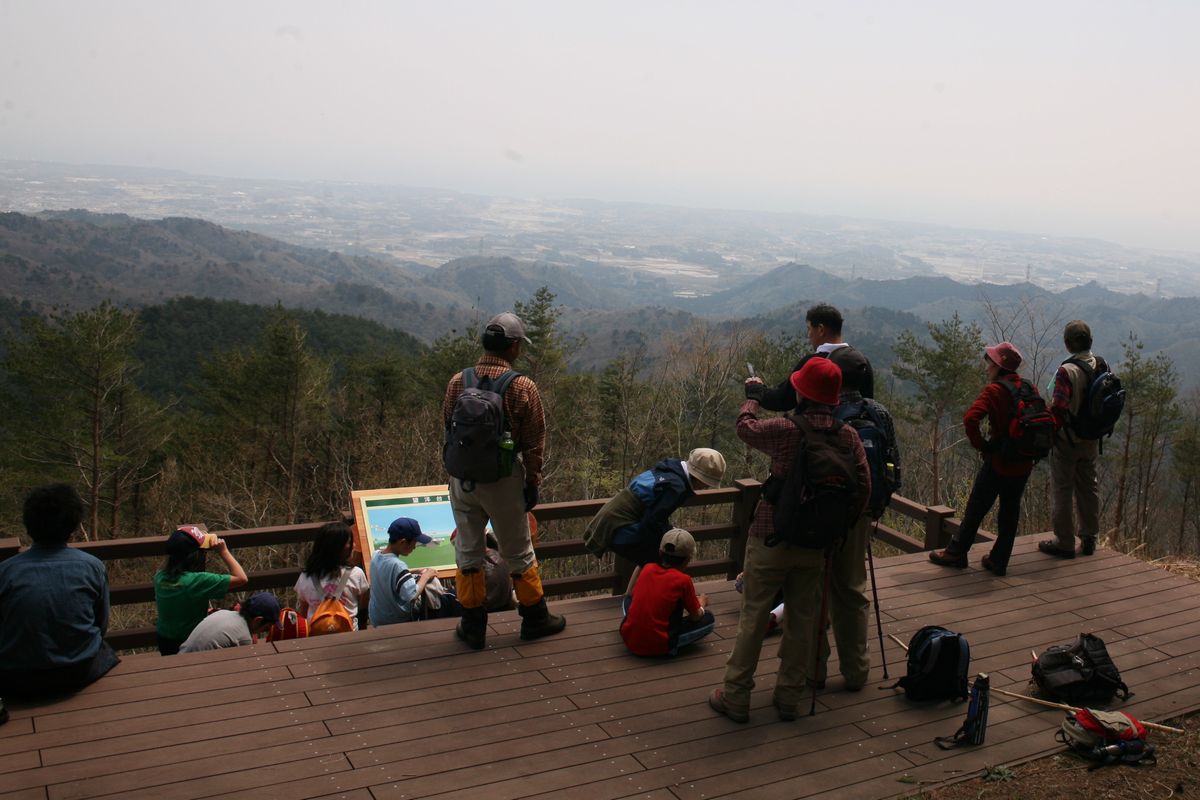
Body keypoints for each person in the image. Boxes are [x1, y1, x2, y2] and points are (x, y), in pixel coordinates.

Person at [710, 359, 869, 723]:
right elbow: (863, 489)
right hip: (815, 545)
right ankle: (789, 698)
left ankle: (736, 695)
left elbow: (744, 429)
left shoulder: (785, 429)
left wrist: (752, 397)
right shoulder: (848, 436)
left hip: (770, 536)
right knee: (803, 620)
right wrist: (836, 529)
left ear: (801, 392)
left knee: (753, 616)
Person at [443, 311, 565, 649]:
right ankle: (535, 617)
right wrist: (533, 481)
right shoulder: (522, 386)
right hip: (502, 480)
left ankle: (472, 625)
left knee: (468, 550)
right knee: (518, 550)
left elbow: (447, 428)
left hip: (463, 479)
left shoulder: (458, 381)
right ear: (512, 347)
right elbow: (534, 441)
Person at [0, 484, 120, 698]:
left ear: (29, 524)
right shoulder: (91, 567)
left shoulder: (6, 571)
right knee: (104, 650)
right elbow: (101, 625)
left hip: (17, 677)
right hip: (78, 671)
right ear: (73, 525)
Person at [929, 342, 1036, 577]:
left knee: (976, 508)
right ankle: (999, 561)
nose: (987, 366)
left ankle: (956, 553)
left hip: (999, 462)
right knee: (1010, 512)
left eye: (990, 362)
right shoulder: (1029, 388)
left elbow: (970, 419)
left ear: (999, 366)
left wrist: (983, 446)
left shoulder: (995, 391)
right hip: (1024, 463)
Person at [584, 448, 727, 571]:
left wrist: (669, 529)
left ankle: (632, 597)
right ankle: (649, 599)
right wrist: (671, 534)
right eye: (707, 483)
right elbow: (652, 522)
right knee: (665, 562)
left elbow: (654, 512)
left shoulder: (670, 469)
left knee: (652, 561)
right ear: (698, 477)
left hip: (610, 520)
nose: (706, 487)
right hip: (619, 527)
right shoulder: (676, 489)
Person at [1040, 320, 1104, 559]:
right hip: (1091, 439)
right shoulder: (1100, 364)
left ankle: (1064, 542)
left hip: (1067, 440)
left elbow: (1058, 407)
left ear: (1067, 344)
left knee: (1063, 489)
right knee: (1089, 487)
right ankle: (1089, 538)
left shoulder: (1067, 371)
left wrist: (1046, 432)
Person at [746, 303, 874, 410]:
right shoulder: (862, 362)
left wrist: (756, 389)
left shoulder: (813, 363)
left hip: (821, 437)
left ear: (820, 329)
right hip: (856, 437)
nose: (808, 335)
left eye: (809, 329)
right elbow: (868, 402)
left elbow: (782, 400)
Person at [154, 524, 249, 655]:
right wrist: (223, 551)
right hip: (190, 639)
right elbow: (242, 578)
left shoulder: (159, 577)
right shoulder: (197, 581)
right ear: (194, 555)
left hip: (164, 638)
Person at [619, 529, 714, 656]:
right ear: (688, 559)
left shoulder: (647, 568)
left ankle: (636, 627)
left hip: (629, 638)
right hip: (661, 645)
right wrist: (701, 604)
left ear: (660, 552)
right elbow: (695, 616)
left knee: (628, 599)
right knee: (709, 619)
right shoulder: (683, 580)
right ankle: (669, 644)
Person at [295, 521, 370, 630]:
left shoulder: (306, 576)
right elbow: (363, 607)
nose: (354, 545)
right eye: (350, 542)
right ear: (337, 548)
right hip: (350, 635)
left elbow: (303, 613)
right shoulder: (356, 574)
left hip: (316, 637)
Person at [369, 517, 442, 626]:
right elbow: (411, 596)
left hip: (377, 618)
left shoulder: (376, 555)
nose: (415, 547)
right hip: (395, 621)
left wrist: (411, 572)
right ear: (403, 542)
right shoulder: (398, 565)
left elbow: (386, 573)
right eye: (414, 543)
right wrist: (426, 576)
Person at [178, 592, 281, 653]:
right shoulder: (244, 638)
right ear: (257, 620)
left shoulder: (223, 613)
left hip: (179, 659)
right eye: (267, 628)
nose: (266, 631)